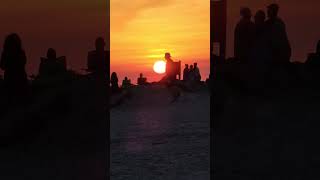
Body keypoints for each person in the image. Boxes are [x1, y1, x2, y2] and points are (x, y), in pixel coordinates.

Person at [0, 33, 28, 103]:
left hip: (11, 80)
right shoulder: (21, 53)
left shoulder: (6, 53)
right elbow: (23, 63)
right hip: (19, 80)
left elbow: (2, 66)